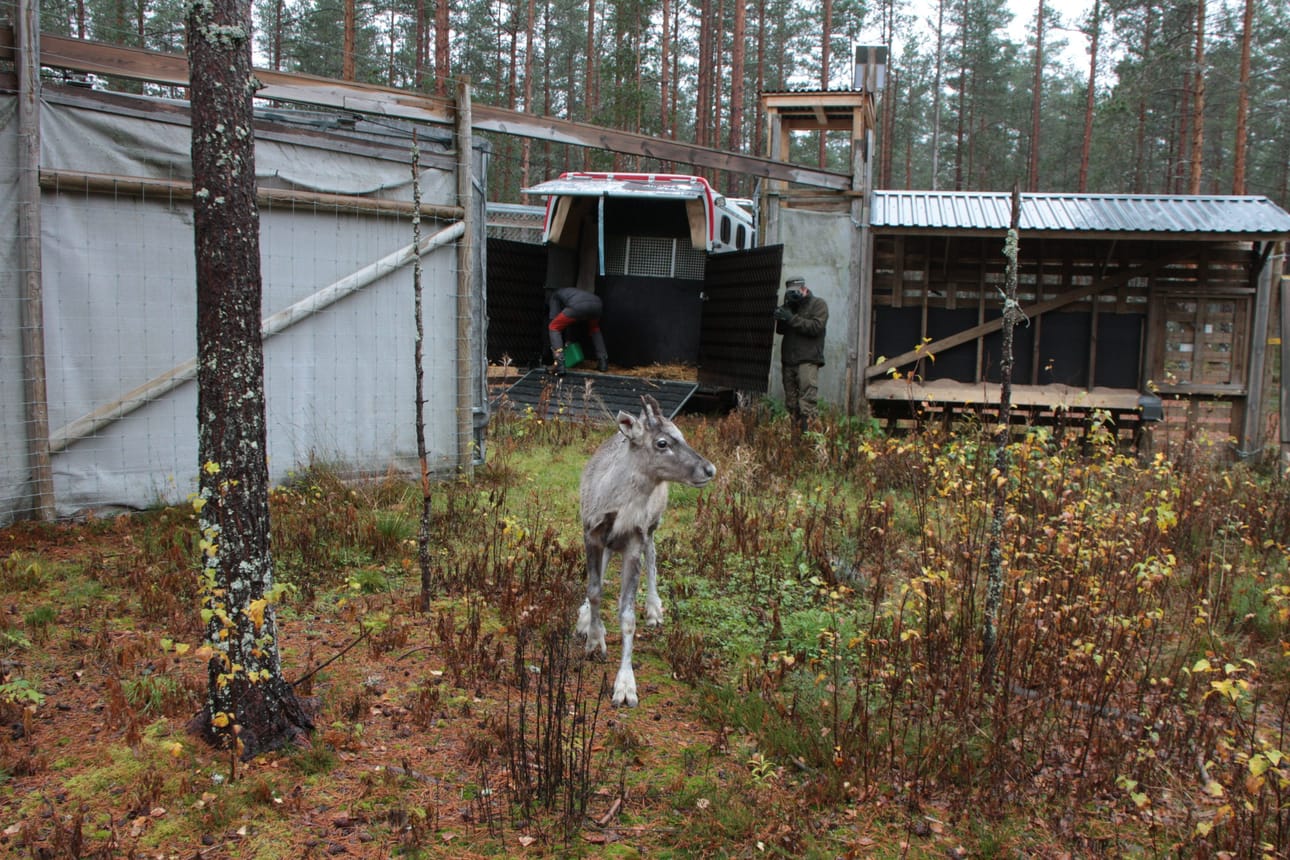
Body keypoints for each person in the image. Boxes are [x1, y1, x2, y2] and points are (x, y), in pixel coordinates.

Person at [772, 276, 828, 430]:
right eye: (790, 292)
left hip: (808, 360)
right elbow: (781, 331)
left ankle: (810, 442)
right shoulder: (791, 306)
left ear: (804, 289)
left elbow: (816, 327)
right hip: (789, 361)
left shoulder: (818, 304)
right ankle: (796, 443)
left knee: (807, 403)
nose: (793, 295)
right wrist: (782, 315)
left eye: (796, 292)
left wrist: (791, 318)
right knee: (791, 403)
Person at [547, 286, 609, 374]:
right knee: (594, 329)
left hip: (578, 305)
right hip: (597, 303)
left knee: (553, 327)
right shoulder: (572, 291)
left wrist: (555, 343)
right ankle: (603, 362)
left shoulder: (555, 295)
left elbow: (553, 318)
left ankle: (559, 364)